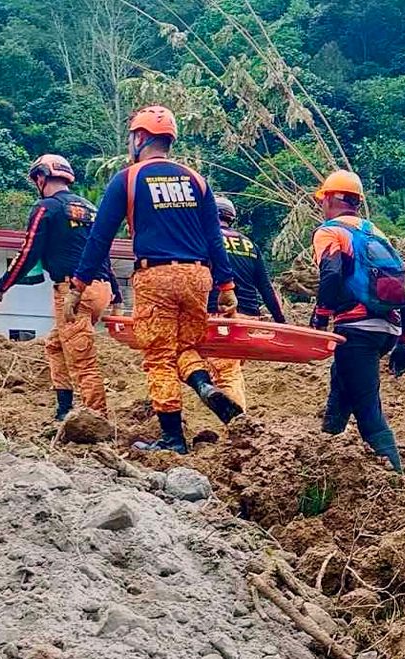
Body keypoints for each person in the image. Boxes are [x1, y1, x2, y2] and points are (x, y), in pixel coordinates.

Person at [71, 105, 240, 454]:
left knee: (159, 356)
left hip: (155, 275)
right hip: (198, 276)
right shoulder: (197, 180)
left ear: (140, 137)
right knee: (185, 346)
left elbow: (100, 238)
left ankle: (173, 440)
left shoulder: (128, 179)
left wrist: (79, 284)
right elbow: (214, 239)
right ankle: (203, 384)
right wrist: (227, 288)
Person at [0, 154, 123, 420]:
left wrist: (1, 287)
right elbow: (101, 251)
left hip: (73, 293)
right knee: (55, 345)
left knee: (82, 359)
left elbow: (28, 252)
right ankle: (64, 409)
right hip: (101, 289)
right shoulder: (90, 209)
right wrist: (116, 292)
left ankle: (97, 419)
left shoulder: (45, 208)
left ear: (41, 177)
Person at [309, 170, 405, 472]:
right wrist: (403, 340)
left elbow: (330, 273)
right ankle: (322, 463)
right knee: (341, 394)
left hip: (356, 329)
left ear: (328, 198)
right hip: (388, 328)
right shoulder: (375, 233)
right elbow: (400, 282)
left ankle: (397, 481)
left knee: (368, 408)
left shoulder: (329, 232)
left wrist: (321, 318)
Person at [205, 196, 286, 410]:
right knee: (228, 369)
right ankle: (230, 422)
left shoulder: (205, 240)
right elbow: (266, 288)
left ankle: (238, 426)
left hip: (220, 315)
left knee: (225, 374)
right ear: (232, 218)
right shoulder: (250, 245)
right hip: (249, 317)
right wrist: (281, 322)